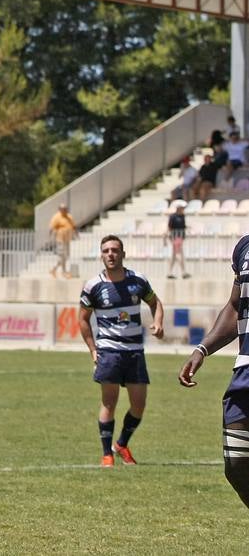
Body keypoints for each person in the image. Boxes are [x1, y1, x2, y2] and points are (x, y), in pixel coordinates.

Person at [77, 235, 165, 466]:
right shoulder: (93, 286)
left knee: (139, 405)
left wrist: (158, 322)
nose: (111, 254)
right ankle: (107, 454)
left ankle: (121, 444)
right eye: (106, 251)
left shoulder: (138, 280)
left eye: (115, 250)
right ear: (101, 255)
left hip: (135, 351)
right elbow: (83, 319)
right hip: (109, 351)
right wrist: (93, 350)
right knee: (109, 402)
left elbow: (155, 303)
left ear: (123, 254)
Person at [178, 234, 249, 508]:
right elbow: (235, 306)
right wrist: (202, 349)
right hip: (245, 371)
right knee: (236, 464)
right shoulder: (244, 248)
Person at [48, 203, 77, 279]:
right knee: (62, 256)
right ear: (60, 209)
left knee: (66, 256)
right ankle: (63, 271)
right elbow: (52, 227)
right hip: (60, 239)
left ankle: (54, 269)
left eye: (65, 208)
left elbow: (73, 226)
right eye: (63, 209)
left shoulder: (69, 216)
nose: (65, 210)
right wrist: (49, 236)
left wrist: (76, 234)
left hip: (67, 239)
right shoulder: (56, 217)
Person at [166, 202, 190, 279]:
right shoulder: (173, 216)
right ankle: (183, 272)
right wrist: (166, 236)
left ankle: (169, 272)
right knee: (178, 254)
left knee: (174, 255)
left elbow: (183, 226)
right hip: (175, 237)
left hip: (180, 237)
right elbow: (169, 227)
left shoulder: (182, 216)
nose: (183, 209)